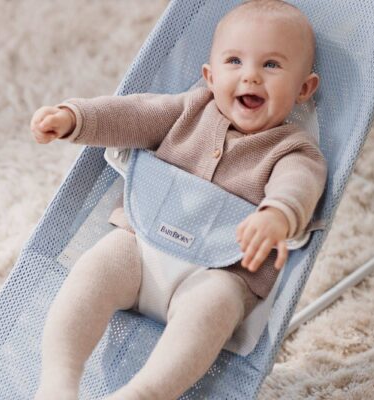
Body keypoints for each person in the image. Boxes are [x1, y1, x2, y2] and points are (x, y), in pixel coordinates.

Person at [31, 1, 327, 399]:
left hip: (216, 273)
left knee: (213, 310)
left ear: (304, 89)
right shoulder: (189, 109)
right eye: (234, 61)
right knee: (92, 272)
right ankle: (58, 381)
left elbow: (298, 184)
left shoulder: (292, 149)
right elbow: (133, 113)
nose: (251, 75)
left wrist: (278, 214)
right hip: (140, 247)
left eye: (271, 65)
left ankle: (143, 393)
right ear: (210, 77)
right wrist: (75, 118)